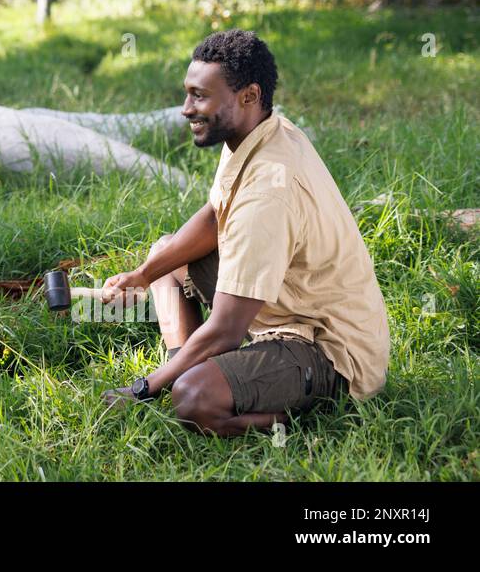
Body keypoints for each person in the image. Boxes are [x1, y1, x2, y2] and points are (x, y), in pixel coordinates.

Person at [99, 29, 390, 437]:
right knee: (167, 255)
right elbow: (217, 214)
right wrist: (143, 275)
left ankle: (292, 421)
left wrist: (144, 387)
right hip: (283, 303)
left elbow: (225, 329)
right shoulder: (255, 132)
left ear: (249, 95)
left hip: (327, 351)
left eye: (200, 96)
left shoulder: (269, 192)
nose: (186, 109)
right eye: (188, 93)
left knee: (194, 399)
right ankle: (195, 366)